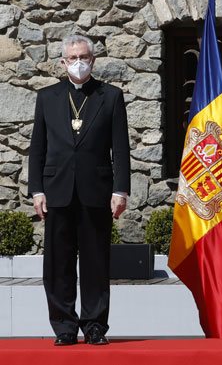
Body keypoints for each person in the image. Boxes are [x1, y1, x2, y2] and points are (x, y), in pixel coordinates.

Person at [28, 34, 131, 346]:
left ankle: (95, 325)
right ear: (63, 62)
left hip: (95, 189)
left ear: (93, 60)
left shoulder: (110, 96)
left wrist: (121, 190)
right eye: (72, 58)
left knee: (95, 262)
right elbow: (37, 148)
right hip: (56, 188)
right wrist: (36, 190)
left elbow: (121, 148)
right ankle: (64, 327)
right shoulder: (47, 98)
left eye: (83, 57)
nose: (78, 63)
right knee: (58, 264)